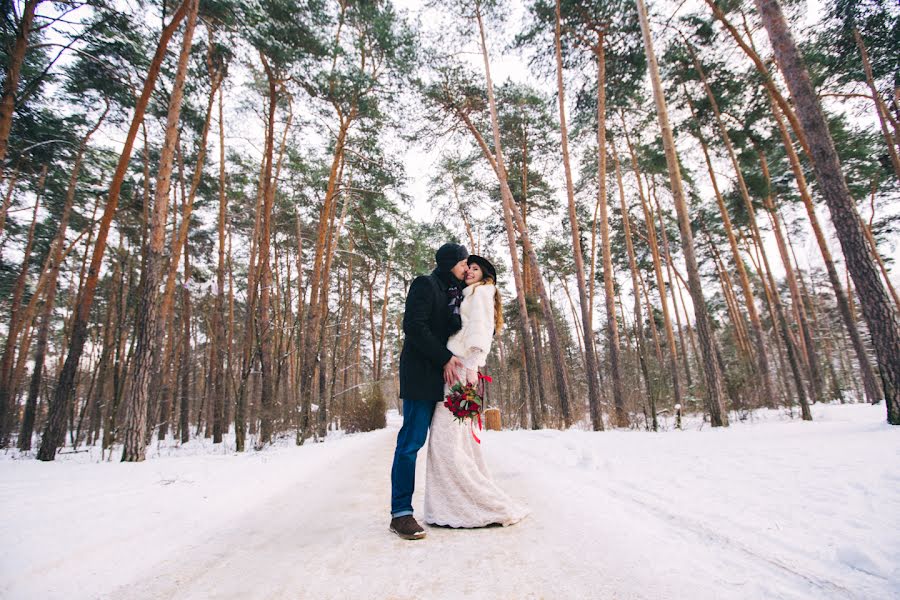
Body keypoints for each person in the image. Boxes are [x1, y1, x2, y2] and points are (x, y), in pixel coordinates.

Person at [423, 254, 529, 528]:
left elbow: (481, 332)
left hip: (461, 368)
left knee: (446, 439)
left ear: (485, 275)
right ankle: (453, 504)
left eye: (475, 268)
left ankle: (470, 504)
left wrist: (469, 368)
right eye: (467, 267)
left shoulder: (482, 292)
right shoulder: (467, 293)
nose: (469, 271)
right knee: (456, 438)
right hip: (456, 365)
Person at [389, 243, 469, 540]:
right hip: (422, 375)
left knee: (448, 446)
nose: (466, 268)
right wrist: (445, 357)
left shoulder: (458, 294)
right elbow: (414, 327)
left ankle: (450, 506)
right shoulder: (426, 284)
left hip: (449, 380)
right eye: (463, 263)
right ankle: (400, 513)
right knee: (411, 443)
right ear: (451, 263)